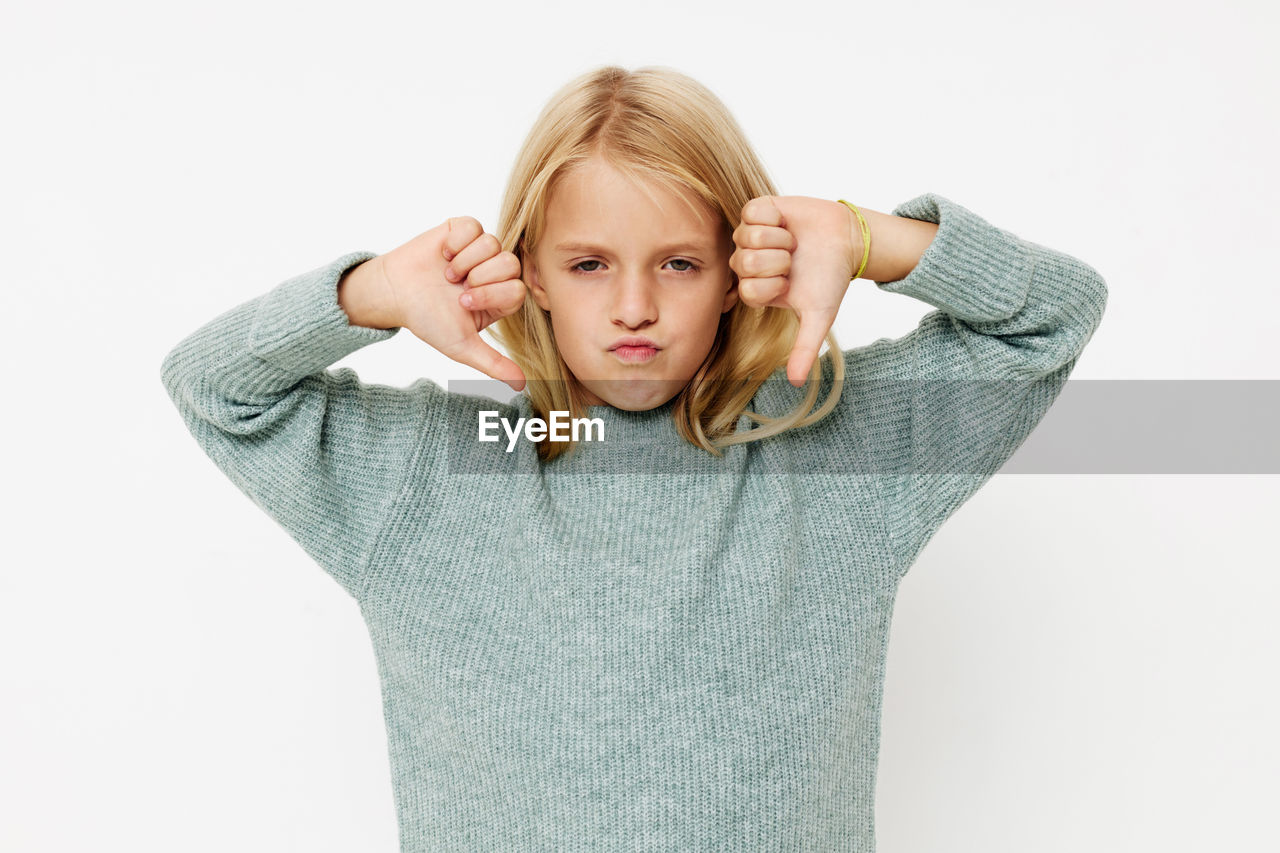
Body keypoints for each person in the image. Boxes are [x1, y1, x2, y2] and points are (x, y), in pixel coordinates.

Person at [160, 64, 1107, 852]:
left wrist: (871, 238)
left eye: (680, 263)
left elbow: (1053, 319)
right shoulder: (435, 471)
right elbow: (214, 389)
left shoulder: (830, 450)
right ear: (527, 269)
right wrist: (363, 294)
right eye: (589, 264)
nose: (634, 308)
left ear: (743, 269)